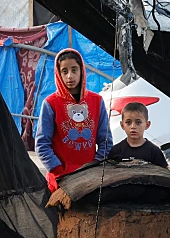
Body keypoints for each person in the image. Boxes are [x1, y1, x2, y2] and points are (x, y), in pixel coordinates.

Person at [35, 48, 112, 191]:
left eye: (74, 70)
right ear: (58, 73)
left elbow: (106, 141)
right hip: (60, 180)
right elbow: (42, 144)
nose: (70, 76)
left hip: (90, 178)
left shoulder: (97, 101)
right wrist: (58, 170)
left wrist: (95, 165)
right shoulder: (51, 103)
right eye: (64, 71)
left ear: (82, 70)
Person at [107, 101, 169, 167]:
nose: (133, 126)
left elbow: (163, 173)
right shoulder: (116, 150)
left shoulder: (154, 151)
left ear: (147, 125)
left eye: (138, 122)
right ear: (122, 125)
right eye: (128, 122)